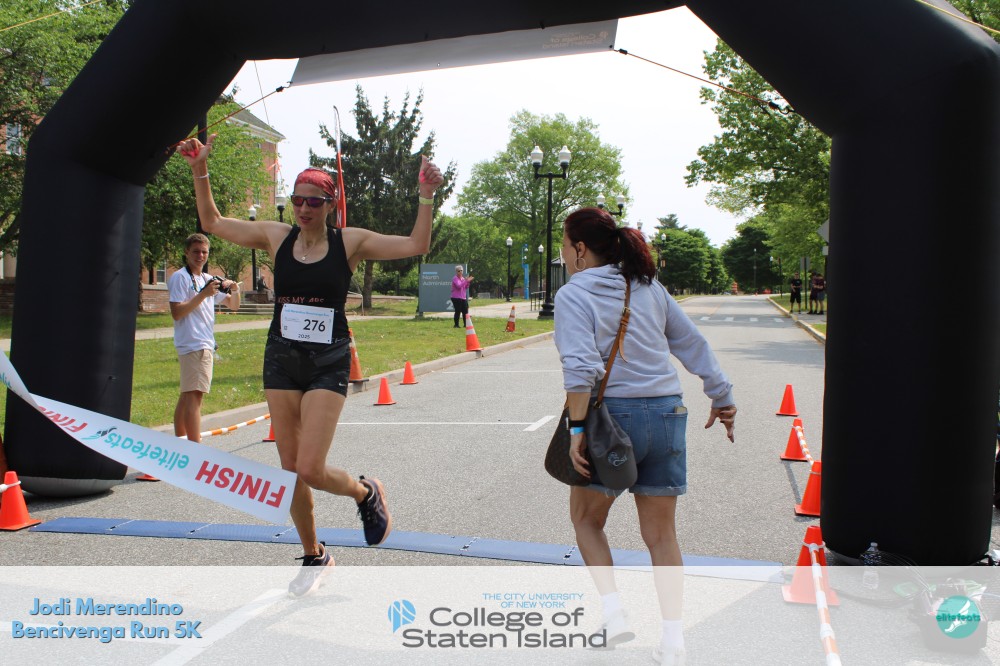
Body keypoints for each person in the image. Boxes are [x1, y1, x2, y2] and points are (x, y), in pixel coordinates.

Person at [178, 134, 444, 597]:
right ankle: (313, 554)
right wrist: (200, 168)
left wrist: (425, 195)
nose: (303, 209)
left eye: (313, 202)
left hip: (327, 360)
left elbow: (417, 243)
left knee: (310, 468)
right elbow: (213, 222)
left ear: (330, 205)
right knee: (289, 470)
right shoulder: (276, 236)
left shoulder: (349, 242)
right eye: (298, 200)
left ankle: (365, 492)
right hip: (282, 357)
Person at [554, 207, 736, 665]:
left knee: (586, 520)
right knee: (661, 534)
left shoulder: (575, 294)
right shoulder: (649, 287)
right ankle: (673, 641)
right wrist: (721, 395)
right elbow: (691, 342)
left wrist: (577, 429)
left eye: (565, 244)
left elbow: (581, 369)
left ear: (580, 249)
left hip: (613, 420)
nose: (563, 253)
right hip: (667, 413)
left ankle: (614, 615)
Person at [168, 233, 241, 444]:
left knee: (187, 396)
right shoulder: (180, 277)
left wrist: (235, 289)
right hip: (194, 343)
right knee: (194, 397)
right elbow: (177, 312)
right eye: (196, 251)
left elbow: (233, 305)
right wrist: (203, 294)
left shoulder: (208, 279)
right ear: (186, 253)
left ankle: (180, 443)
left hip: (203, 343)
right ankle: (195, 448)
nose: (200, 256)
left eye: (204, 252)